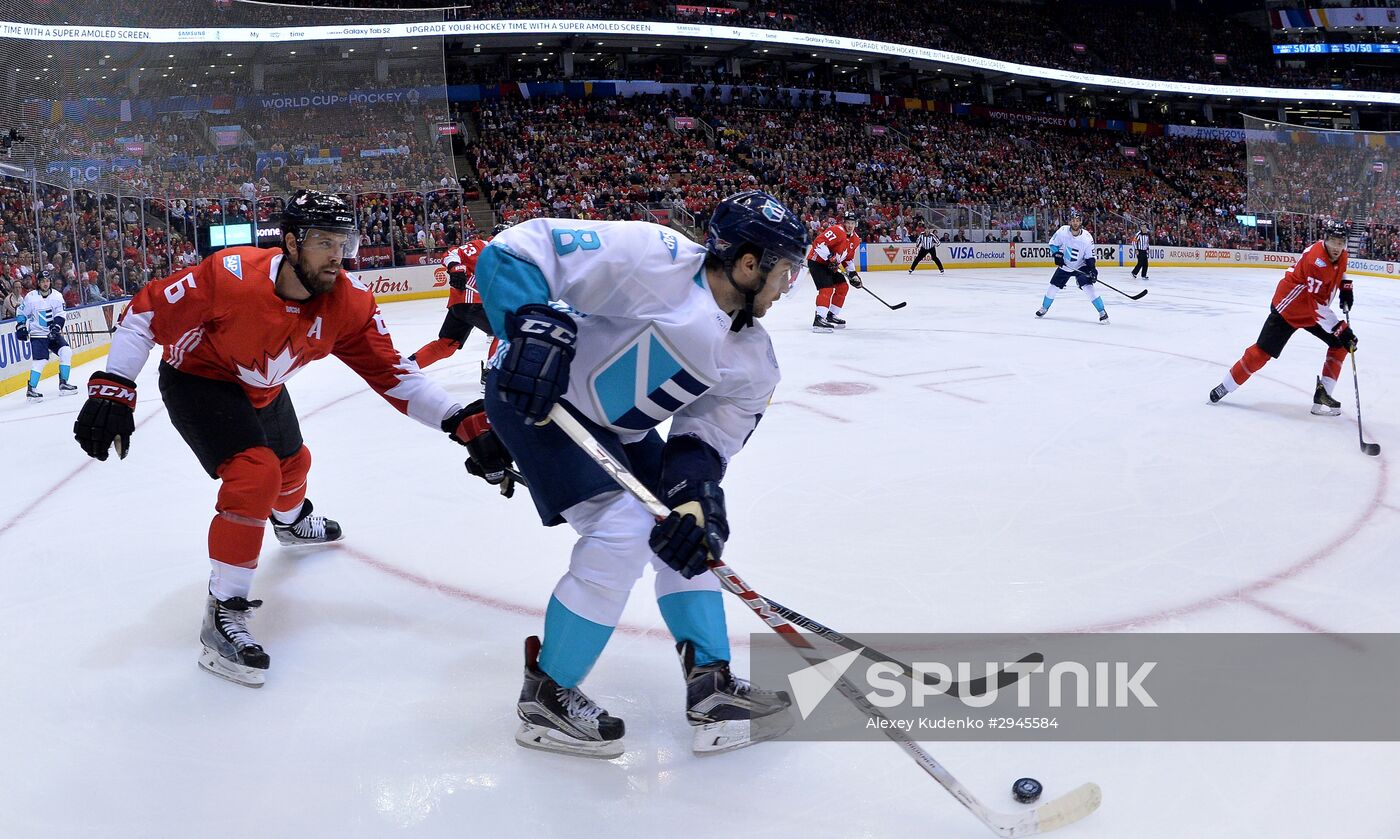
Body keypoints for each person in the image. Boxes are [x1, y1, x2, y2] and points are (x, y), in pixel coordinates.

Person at [71, 190, 515, 689]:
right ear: (290, 243)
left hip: (263, 388)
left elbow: (393, 374)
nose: (337, 256)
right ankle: (224, 609)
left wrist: (459, 420)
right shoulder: (231, 274)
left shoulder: (350, 303)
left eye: (343, 243)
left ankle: (291, 522)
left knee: (294, 466)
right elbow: (146, 312)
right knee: (254, 475)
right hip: (200, 380)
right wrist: (115, 385)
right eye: (324, 242)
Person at [474, 190, 805, 759]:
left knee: (688, 536)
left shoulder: (752, 359)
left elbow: (704, 439)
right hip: (537, 397)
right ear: (750, 264)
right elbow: (517, 251)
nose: (787, 287)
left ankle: (711, 686)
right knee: (623, 528)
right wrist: (531, 326)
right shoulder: (656, 256)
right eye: (784, 273)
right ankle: (546, 696)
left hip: (618, 428)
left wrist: (693, 498)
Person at [1209, 220, 1355, 415]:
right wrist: (1340, 328)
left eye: (1341, 242)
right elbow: (1316, 306)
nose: (1337, 247)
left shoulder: (1341, 254)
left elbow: (1340, 272)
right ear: (1325, 239)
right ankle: (1225, 386)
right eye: (1333, 242)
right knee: (1259, 354)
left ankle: (1324, 395)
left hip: (1312, 312)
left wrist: (1346, 287)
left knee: (1340, 345)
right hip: (1289, 309)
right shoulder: (1317, 261)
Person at [410, 223, 510, 382]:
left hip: (465, 305)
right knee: (505, 329)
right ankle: (492, 374)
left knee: (447, 345)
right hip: (470, 301)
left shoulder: (509, 261)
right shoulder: (483, 246)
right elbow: (452, 252)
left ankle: (405, 368)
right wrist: (455, 267)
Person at [1035, 210, 1108, 324]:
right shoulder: (1062, 231)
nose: (1075, 223)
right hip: (1065, 265)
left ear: (1081, 222)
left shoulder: (1087, 237)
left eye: (1077, 220)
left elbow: (1090, 257)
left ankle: (1102, 312)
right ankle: (1044, 308)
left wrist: (1092, 270)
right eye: (1073, 220)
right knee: (1053, 288)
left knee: (1089, 288)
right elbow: (1053, 244)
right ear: (1070, 221)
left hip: (1081, 266)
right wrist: (1057, 254)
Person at [16, 272, 77, 401]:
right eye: (43, 281)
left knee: (66, 351)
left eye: (47, 281)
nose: (45, 283)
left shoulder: (57, 296)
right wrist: (21, 326)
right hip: (37, 335)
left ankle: (64, 383)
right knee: (41, 361)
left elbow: (60, 315)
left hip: (51, 334)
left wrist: (56, 328)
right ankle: (31, 389)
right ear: (38, 283)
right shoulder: (31, 297)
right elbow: (21, 312)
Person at [807, 211, 857, 333]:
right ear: (844, 222)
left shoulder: (855, 239)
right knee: (826, 288)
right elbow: (818, 242)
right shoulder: (837, 230)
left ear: (855, 224)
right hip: (817, 262)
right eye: (848, 223)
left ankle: (831, 315)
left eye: (852, 223)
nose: (850, 225)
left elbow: (848, 259)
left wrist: (853, 275)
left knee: (843, 287)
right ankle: (819, 319)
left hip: (830, 266)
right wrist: (830, 257)